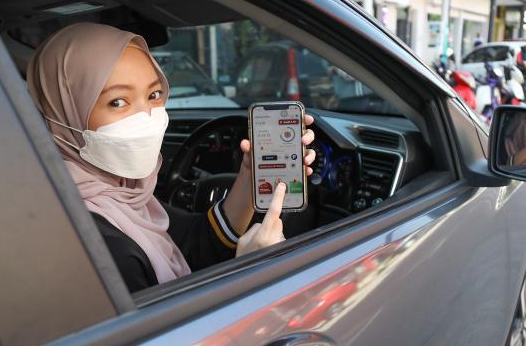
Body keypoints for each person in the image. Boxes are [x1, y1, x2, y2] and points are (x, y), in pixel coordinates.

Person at [26, 23, 316, 292]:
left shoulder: (123, 194)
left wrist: (250, 175)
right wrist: (250, 272)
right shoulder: (99, 250)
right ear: (61, 111)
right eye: (118, 101)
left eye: (154, 95)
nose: (147, 116)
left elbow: (196, 242)